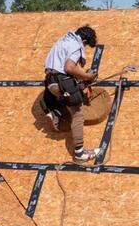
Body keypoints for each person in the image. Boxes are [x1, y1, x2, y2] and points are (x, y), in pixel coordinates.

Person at [41, 25, 101, 163]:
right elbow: (69, 67)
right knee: (78, 113)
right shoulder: (76, 45)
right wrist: (87, 77)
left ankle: (55, 113)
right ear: (84, 41)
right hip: (62, 80)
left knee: (65, 98)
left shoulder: (62, 41)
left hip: (50, 82)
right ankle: (80, 154)